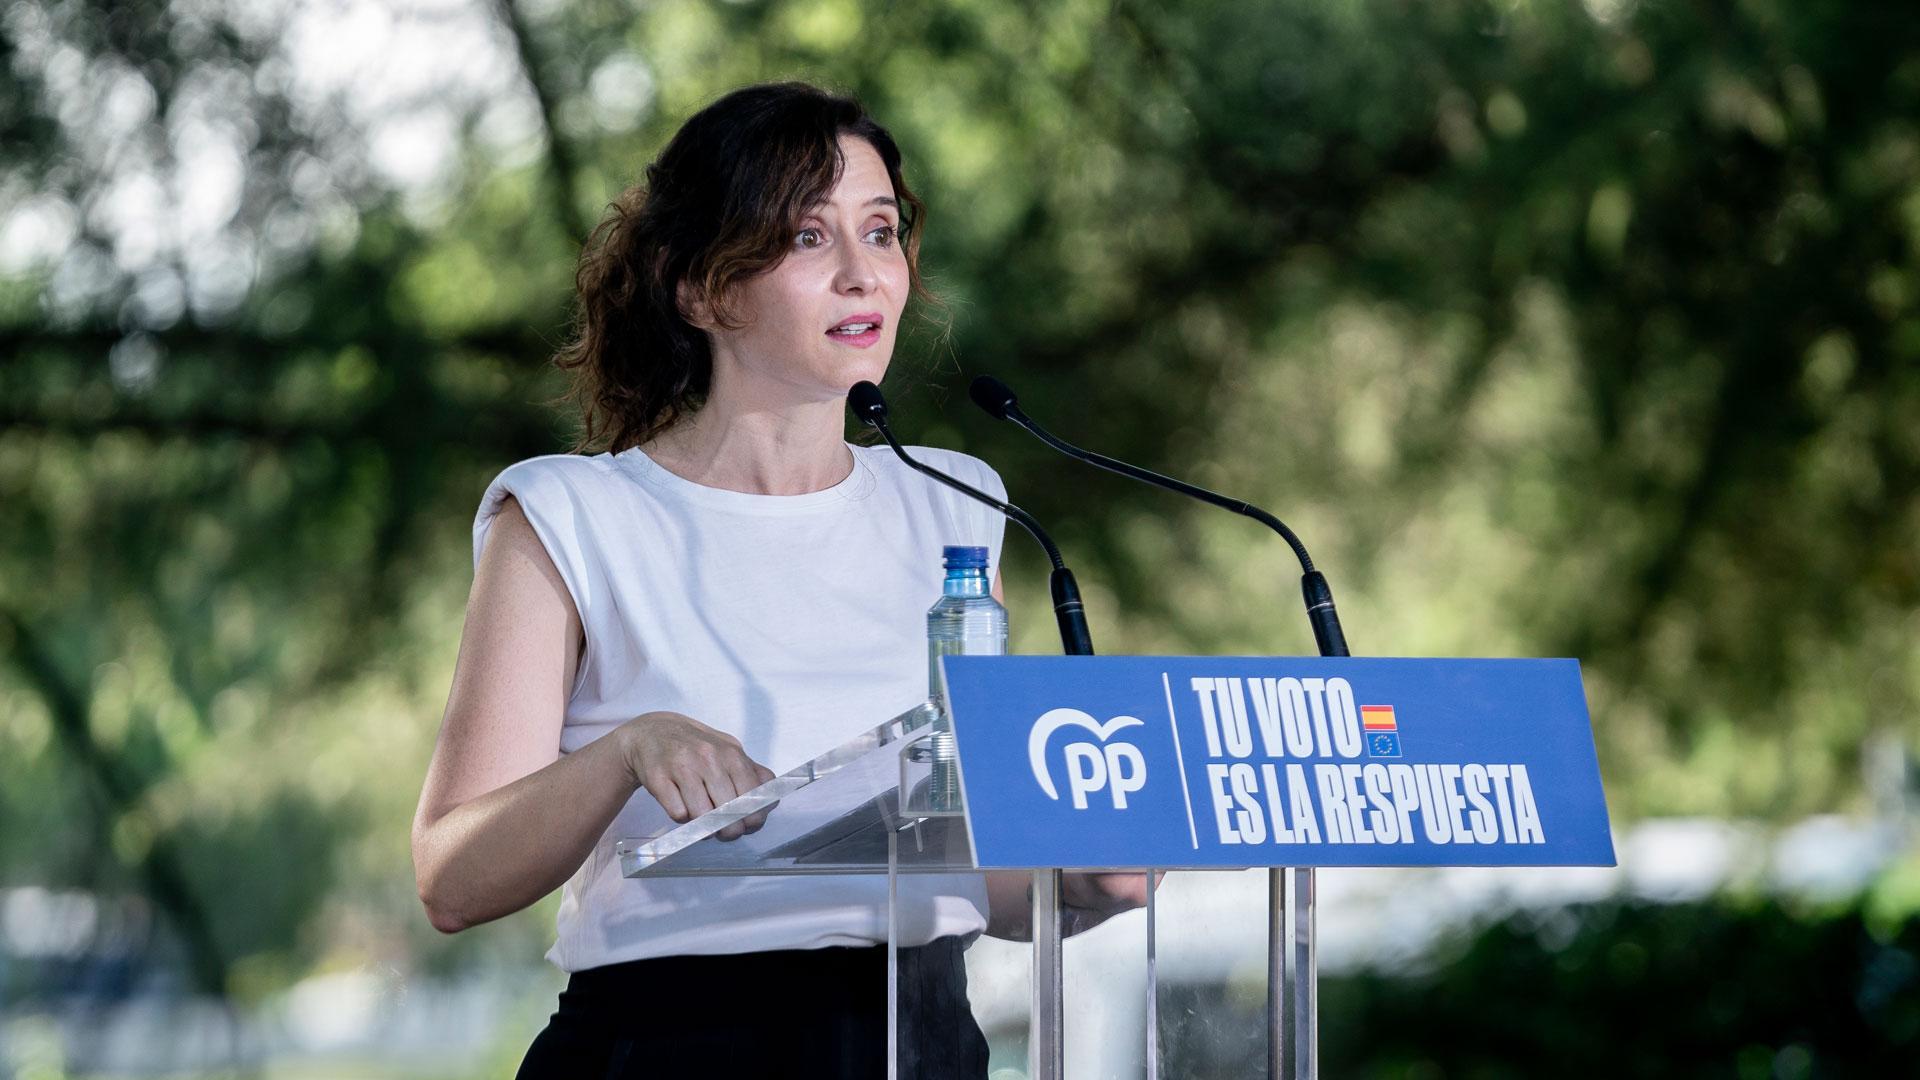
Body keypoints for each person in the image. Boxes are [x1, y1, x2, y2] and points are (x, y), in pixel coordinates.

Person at [409, 81, 1153, 1078]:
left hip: (926, 1038)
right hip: (674, 1045)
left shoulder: (959, 506)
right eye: (810, 239)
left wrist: (1088, 885)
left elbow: (974, 870)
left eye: (880, 232)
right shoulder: (569, 516)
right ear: (704, 289)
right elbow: (452, 879)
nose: (863, 274)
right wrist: (629, 751)